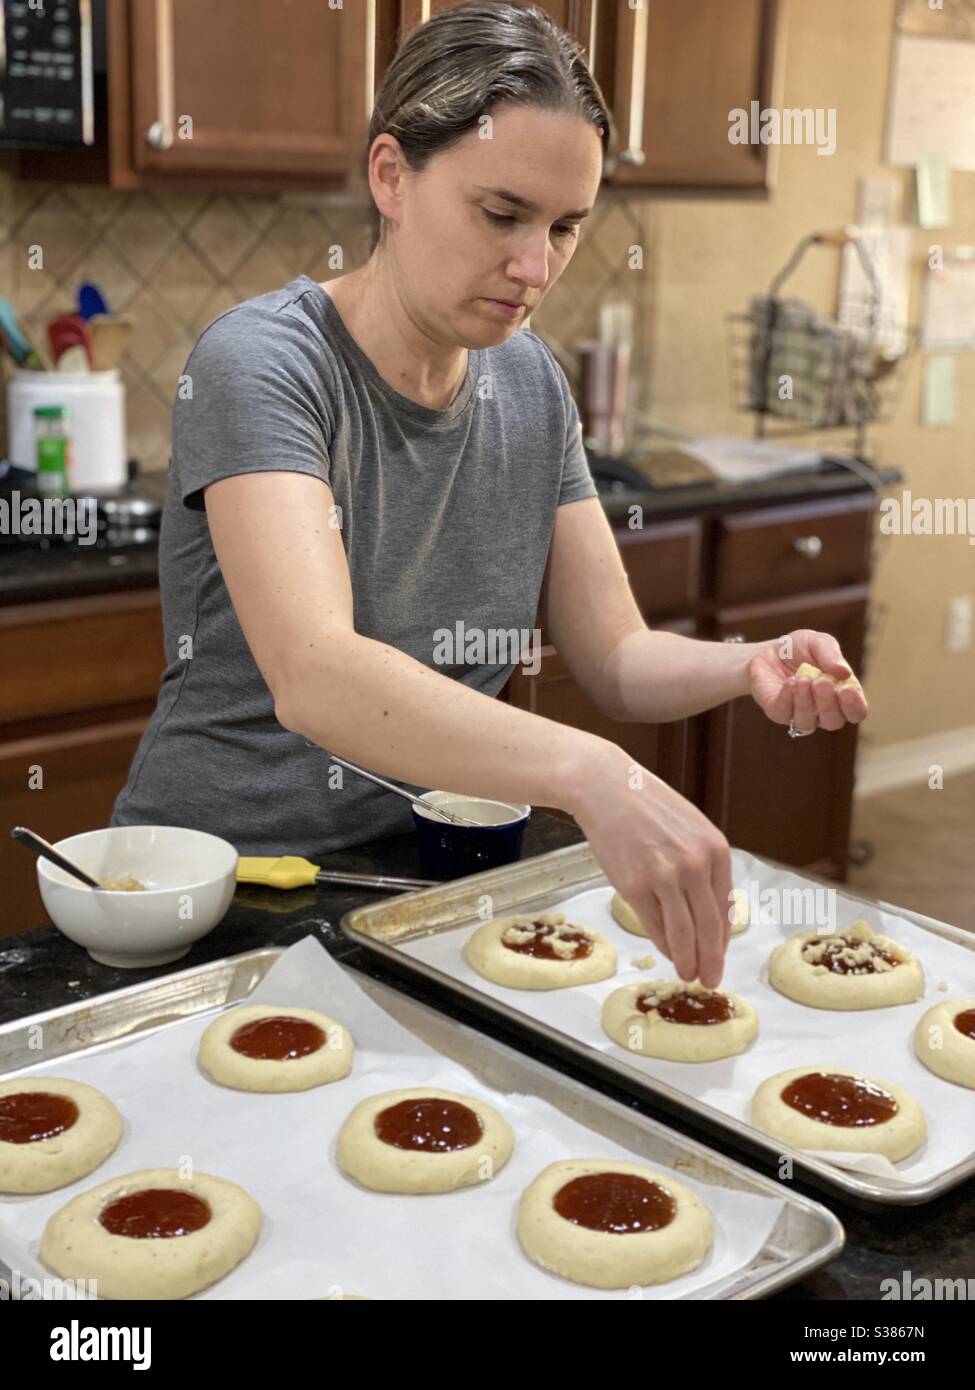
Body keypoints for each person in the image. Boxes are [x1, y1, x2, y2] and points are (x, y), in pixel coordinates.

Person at [112, 3, 867, 988]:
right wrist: (594, 772)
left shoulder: (529, 381)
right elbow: (317, 673)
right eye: (501, 214)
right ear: (391, 175)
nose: (536, 267)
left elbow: (619, 655)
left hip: (425, 878)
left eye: (564, 227)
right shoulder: (265, 362)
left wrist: (748, 662)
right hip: (215, 888)